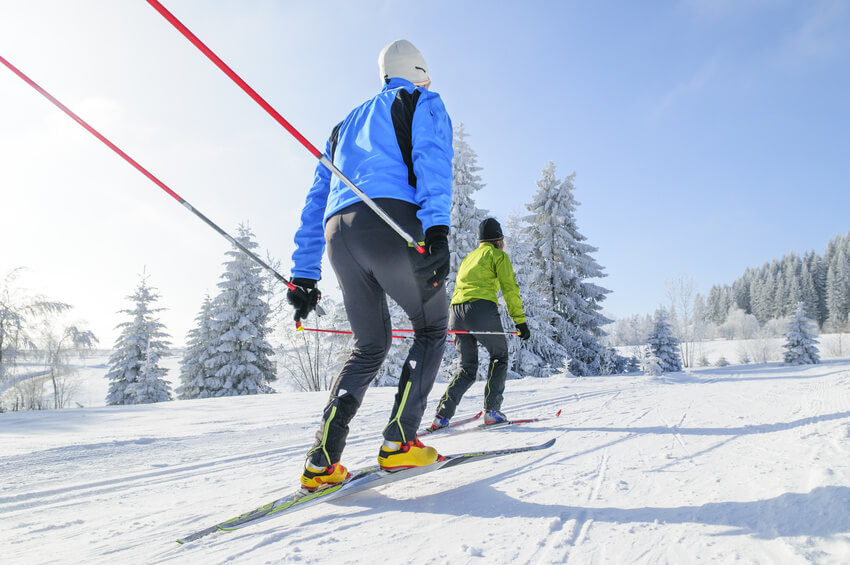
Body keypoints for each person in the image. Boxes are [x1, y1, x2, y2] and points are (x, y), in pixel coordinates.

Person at [286, 39, 454, 491]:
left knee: (370, 345)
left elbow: (315, 198)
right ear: (417, 72)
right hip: (391, 220)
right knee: (433, 326)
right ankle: (400, 443)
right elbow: (432, 160)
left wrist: (304, 271)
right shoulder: (422, 100)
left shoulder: (342, 127)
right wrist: (437, 228)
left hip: (338, 233)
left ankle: (321, 462)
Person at [429, 217, 530, 430]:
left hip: (456, 312)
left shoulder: (469, 258)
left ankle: (442, 416)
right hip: (481, 309)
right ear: (499, 240)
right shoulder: (498, 255)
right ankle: (492, 411)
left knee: (467, 368)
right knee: (499, 356)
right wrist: (520, 322)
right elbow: (510, 288)